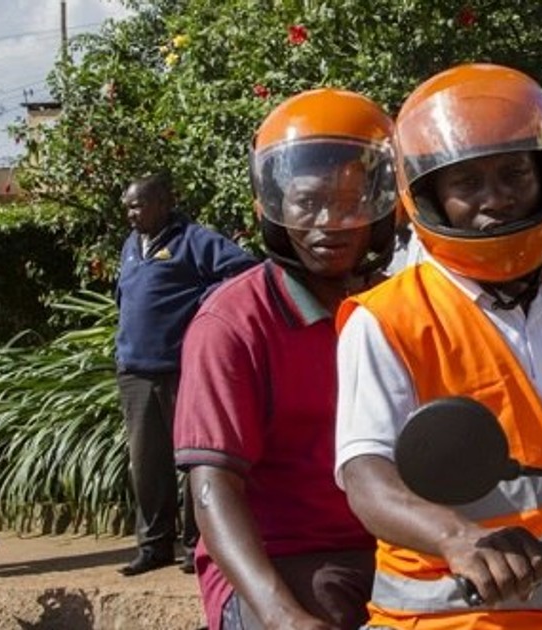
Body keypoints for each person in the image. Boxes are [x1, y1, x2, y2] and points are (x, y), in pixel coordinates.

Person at [334, 63, 542, 629]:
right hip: (456, 620)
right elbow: (367, 479)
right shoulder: (386, 320)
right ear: (431, 196)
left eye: (515, 172)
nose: (495, 198)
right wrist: (458, 538)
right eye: (466, 183)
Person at [173, 88, 398, 630]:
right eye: (308, 202)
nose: (330, 221)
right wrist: (282, 616)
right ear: (273, 206)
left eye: (351, 202)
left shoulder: (398, 308)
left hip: (394, 552)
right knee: (328, 603)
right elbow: (212, 486)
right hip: (278, 564)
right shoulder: (232, 324)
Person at [115, 171, 257, 576]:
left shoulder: (194, 240)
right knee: (146, 463)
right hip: (136, 371)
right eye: (128, 207)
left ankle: (196, 546)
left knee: (193, 460)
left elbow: (245, 270)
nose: (131, 214)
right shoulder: (131, 244)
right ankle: (154, 545)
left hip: (183, 369)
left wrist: (202, 304)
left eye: (138, 205)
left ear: (163, 203)